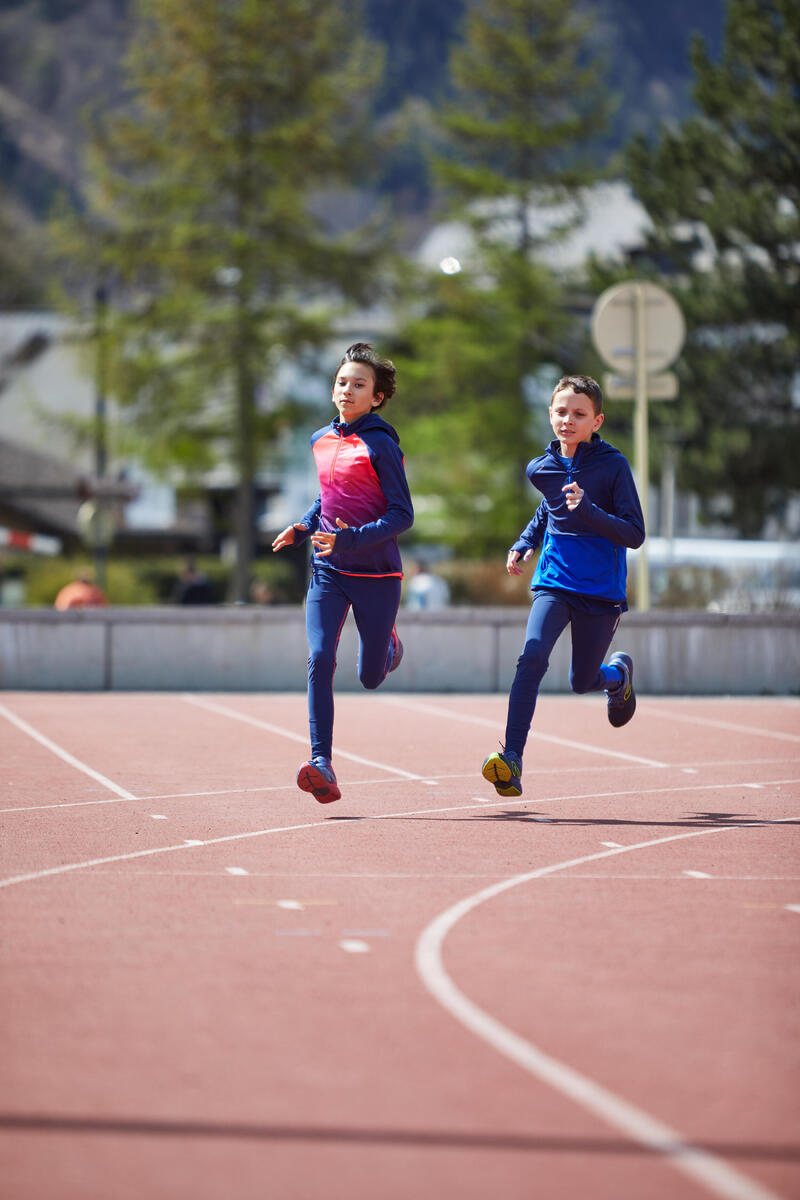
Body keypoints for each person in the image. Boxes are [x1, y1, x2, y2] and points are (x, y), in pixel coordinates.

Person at [482, 374, 645, 798]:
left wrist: (589, 511)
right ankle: (511, 759)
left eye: (579, 414)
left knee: (581, 680)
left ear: (597, 421)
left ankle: (617, 676)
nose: (567, 420)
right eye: (560, 412)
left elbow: (634, 533)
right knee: (531, 657)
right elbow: (549, 508)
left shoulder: (614, 466)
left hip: (601, 592)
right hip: (553, 581)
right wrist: (524, 542)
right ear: (549, 415)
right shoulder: (542, 468)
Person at [272, 342, 414, 803]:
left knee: (370, 676)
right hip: (327, 569)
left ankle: (389, 643)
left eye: (359, 384)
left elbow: (402, 515)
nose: (347, 390)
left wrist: (350, 538)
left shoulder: (382, 444)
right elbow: (328, 499)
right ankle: (321, 762)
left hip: (376, 575)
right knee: (319, 659)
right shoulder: (320, 440)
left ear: (376, 397)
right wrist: (304, 526)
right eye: (341, 382)